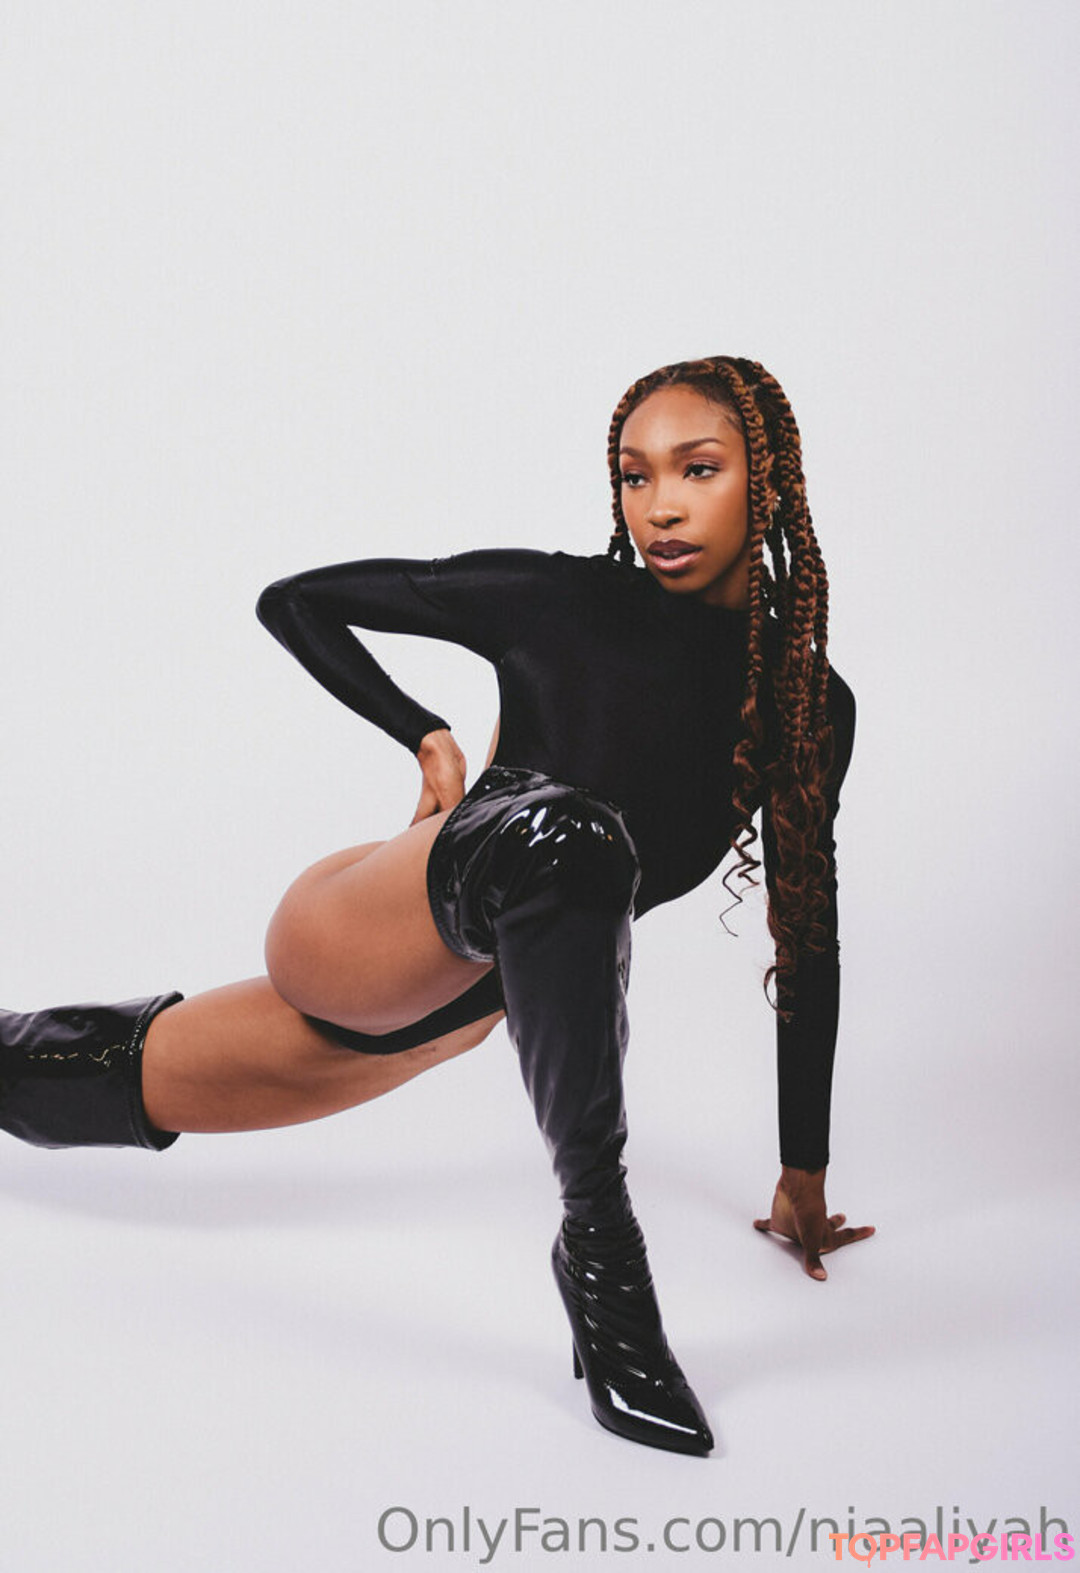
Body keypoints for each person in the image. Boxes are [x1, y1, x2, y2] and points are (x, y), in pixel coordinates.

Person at [0, 355, 874, 1457]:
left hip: (450, 1008)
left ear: (770, 481)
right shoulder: (559, 597)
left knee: (78, 1075)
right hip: (365, 925)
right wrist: (426, 733)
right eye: (634, 474)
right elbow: (297, 602)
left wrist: (802, 1173)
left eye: (696, 469)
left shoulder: (808, 706)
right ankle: (602, 1259)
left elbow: (808, 934)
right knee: (571, 832)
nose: (659, 504)